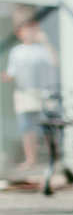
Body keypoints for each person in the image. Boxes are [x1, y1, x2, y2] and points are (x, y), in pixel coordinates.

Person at [2, 16, 58, 174]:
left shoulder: (42, 50)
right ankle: (31, 159)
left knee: (48, 126)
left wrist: (45, 41)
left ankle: (53, 158)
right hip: (24, 93)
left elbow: (54, 61)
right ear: (20, 33)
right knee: (26, 127)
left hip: (44, 93)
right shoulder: (17, 51)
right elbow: (12, 73)